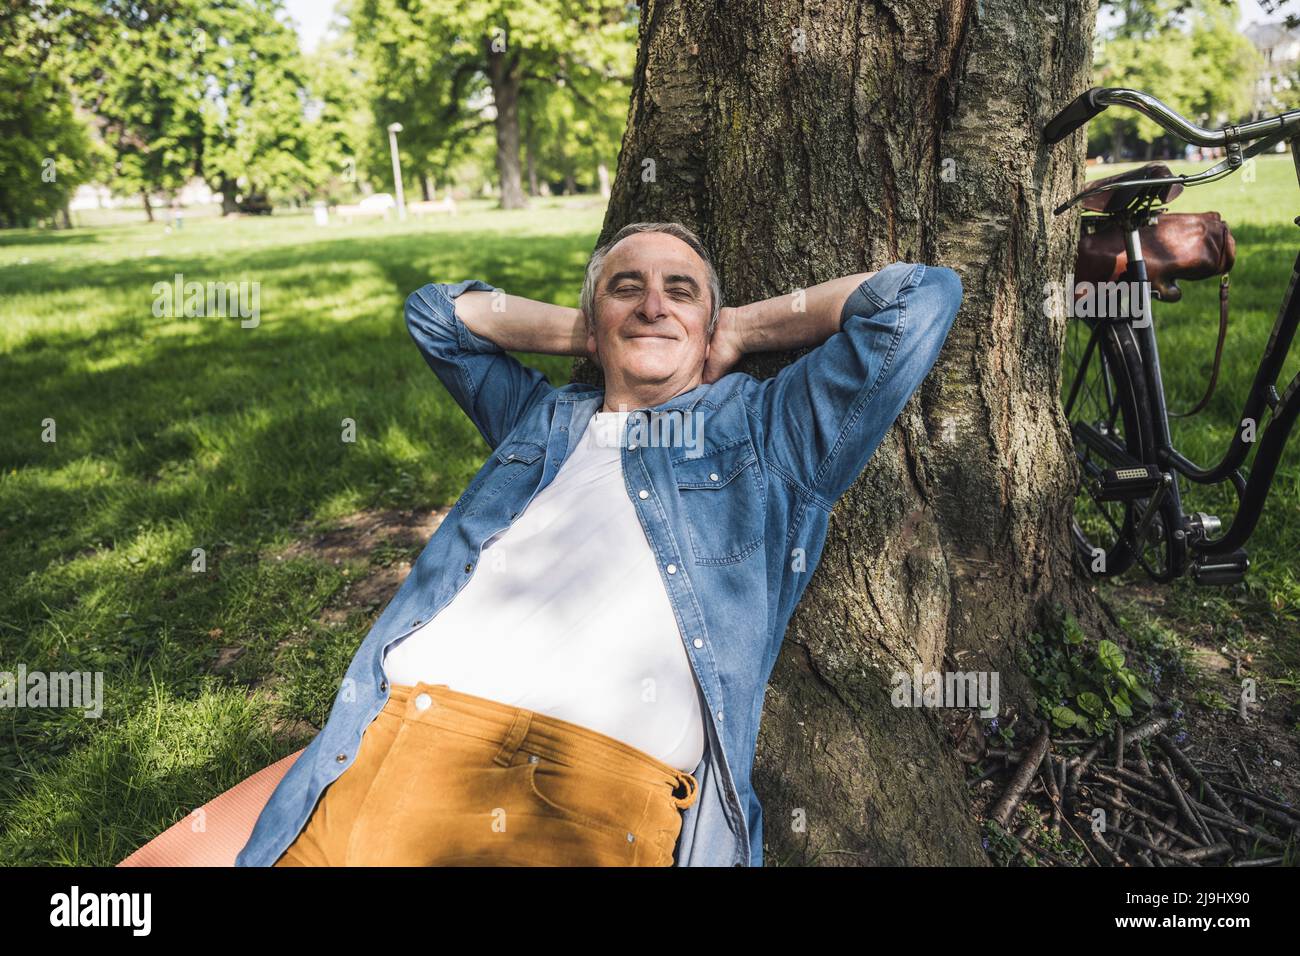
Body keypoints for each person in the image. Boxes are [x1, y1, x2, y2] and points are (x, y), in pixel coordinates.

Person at [234, 221, 963, 867]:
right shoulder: (540, 419)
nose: (653, 304)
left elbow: (919, 298)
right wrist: (592, 330)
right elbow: (436, 314)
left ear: (711, 322)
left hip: (577, 789)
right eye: (627, 289)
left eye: (681, 291)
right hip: (387, 746)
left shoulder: (769, 434)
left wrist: (739, 330)